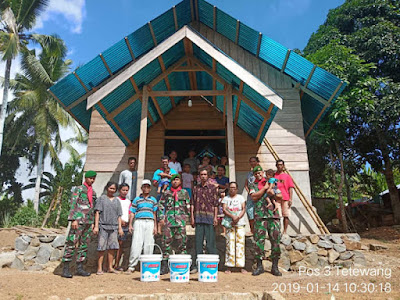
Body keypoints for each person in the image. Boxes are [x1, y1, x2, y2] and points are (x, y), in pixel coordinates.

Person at [61, 170, 97, 278]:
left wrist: (92, 223)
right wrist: (73, 219)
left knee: (84, 245)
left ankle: (79, 267)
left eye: (94, 178)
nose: (92, 180)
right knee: (71, 242)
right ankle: (66, 268)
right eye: (91, 178)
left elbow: (92, 208)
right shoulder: (79, 189)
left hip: (88, 222)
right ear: (86, 178)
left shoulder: (93, 192)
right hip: (78, 221)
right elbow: (73, 203)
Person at [249, 166, 282, 276]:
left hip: (273, 215)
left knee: (276, 241)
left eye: (260, 172)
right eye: (256, 173)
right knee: (259, 241)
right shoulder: (253, 185)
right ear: (254, 175)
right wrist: (265, 188)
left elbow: (280, 196)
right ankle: (259, 266)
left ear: (263, 173)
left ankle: (275, 267)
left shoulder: (272, 182)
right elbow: (254, 197)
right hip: (260, 216)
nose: (258, 174)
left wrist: (273, 192)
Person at [158, 174, 190, 275]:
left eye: (177, 180)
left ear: (180, 181)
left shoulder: (184, 192)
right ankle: (165, 265)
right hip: (169, 220)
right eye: (173, 180)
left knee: (182, 242)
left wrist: (188, 218)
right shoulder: (167, 192)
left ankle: (182, 264)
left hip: (181, 221)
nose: (175, 182)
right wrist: (161, 218)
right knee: (166, 242)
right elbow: (161, 205)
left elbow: (188, 206)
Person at [190, 168, 219, 274]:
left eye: (205, 174)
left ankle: (213, 264)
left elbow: (216, 204)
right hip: (198, 218)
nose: (203, 176)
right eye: (201, 174)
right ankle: (197, 266)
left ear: (208, 176)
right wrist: (192, 217)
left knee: (210, 242)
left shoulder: (212, 188)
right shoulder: (195, 188)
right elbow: (192, 203)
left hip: (209, 217)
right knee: (198, 242)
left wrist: (215, 217)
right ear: (199, 176)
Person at [127, 179, 158, 273]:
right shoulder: (137, 199)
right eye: (144, 187)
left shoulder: (153, 200)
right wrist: (130, 225)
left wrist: (155, 226)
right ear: (141, 188)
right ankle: (131, 266)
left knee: (149, 244)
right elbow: (132, 212)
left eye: (148, 187)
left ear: (150, 188)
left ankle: (147, 265)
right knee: (136, 243)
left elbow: (154, 213)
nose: (146, 188)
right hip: (139, 222)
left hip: (150, 222)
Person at [93, 182, 124, 275]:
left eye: (114, 189)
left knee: (112, 247)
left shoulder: (117, 201)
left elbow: (119, 216)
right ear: (107, 188)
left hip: (114, 227)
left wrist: (120, 228)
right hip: (103, 226)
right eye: (110, 188)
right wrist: (96, 226)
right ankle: (99, 268)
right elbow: (97, 213)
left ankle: (110, 267)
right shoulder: (101, 199)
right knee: (101, 247)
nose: (112, 190)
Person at [223, 182, 246, 274]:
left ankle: (241, 266)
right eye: (231, 187)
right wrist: (233, 217)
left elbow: (243, 208)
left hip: (240, 223)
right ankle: (229, 266)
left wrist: (238, 217)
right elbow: (224, 209)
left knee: (240, 244)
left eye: (234, 188)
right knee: (230, 244)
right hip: (230, 223)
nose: (232, 189)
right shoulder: (226, 198)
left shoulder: (241, 197)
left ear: (237, 189)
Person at [274, 159, 294, 235]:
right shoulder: (274, 176)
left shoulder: (287, 176)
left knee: (286, 215)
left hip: (285, 198)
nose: (279, 166)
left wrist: (291, 199)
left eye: (281, 165)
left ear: (283, 166)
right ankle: (277, 231)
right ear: (276, 166)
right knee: (277, 216)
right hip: (276, 199)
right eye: (278, 165)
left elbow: (290, 188)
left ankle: (285, 231)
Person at [114, 183, 131, 271]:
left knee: (122, 245)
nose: (125, 192)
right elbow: (115, 213)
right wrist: (120, 222)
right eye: (123, 190)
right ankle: (111, 264)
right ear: (119, 190)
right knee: (115, 245)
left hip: (125, 226)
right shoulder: (116, 200)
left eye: (126, 190)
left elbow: (129, 212)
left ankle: (118, 264)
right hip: (117, 225)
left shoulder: (128, 201)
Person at [244, 156, 259, 235]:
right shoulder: (249, 173)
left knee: (259, 213)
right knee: (249, 211)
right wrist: (249, 191)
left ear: (257, 162)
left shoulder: (260, 172)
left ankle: (259, 230)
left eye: (254, 161)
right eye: (251, 162)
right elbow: (246, 184)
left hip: (259, 195)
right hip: (250, 195)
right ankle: (252, 230)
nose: (252, 163)